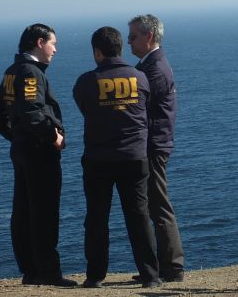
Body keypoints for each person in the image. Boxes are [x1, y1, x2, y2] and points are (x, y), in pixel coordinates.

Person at [73, 26, 161, 288]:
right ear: (121, 48)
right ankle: (150, 275)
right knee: (139, 217)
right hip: (135, 157)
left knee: (97, 218)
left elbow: (84, 109)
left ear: (97, 52)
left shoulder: (86, 81)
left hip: (99, 158)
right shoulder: (140, 78)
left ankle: (95, 276)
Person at [0, 23, 77, 287]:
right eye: (53, 43)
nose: (56, 49)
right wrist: (54, 137)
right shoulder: (30, 73)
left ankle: (30, 270)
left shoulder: (12, 71)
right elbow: (31, 111)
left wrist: (15, 137)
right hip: (38, 152)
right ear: (39, 43)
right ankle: (48, 273)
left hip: (21, 149)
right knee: (44, 213)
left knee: (24, 211)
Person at [128, 14, 185, 282]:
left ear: (148, 36)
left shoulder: (154, 69)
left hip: (152, 146)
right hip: (156, 143)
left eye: (133, 36)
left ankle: (172, 268)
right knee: (156, 205)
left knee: (159, 206)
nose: (129, 42)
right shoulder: (153, 65)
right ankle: (166, 266)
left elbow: (143, 111)